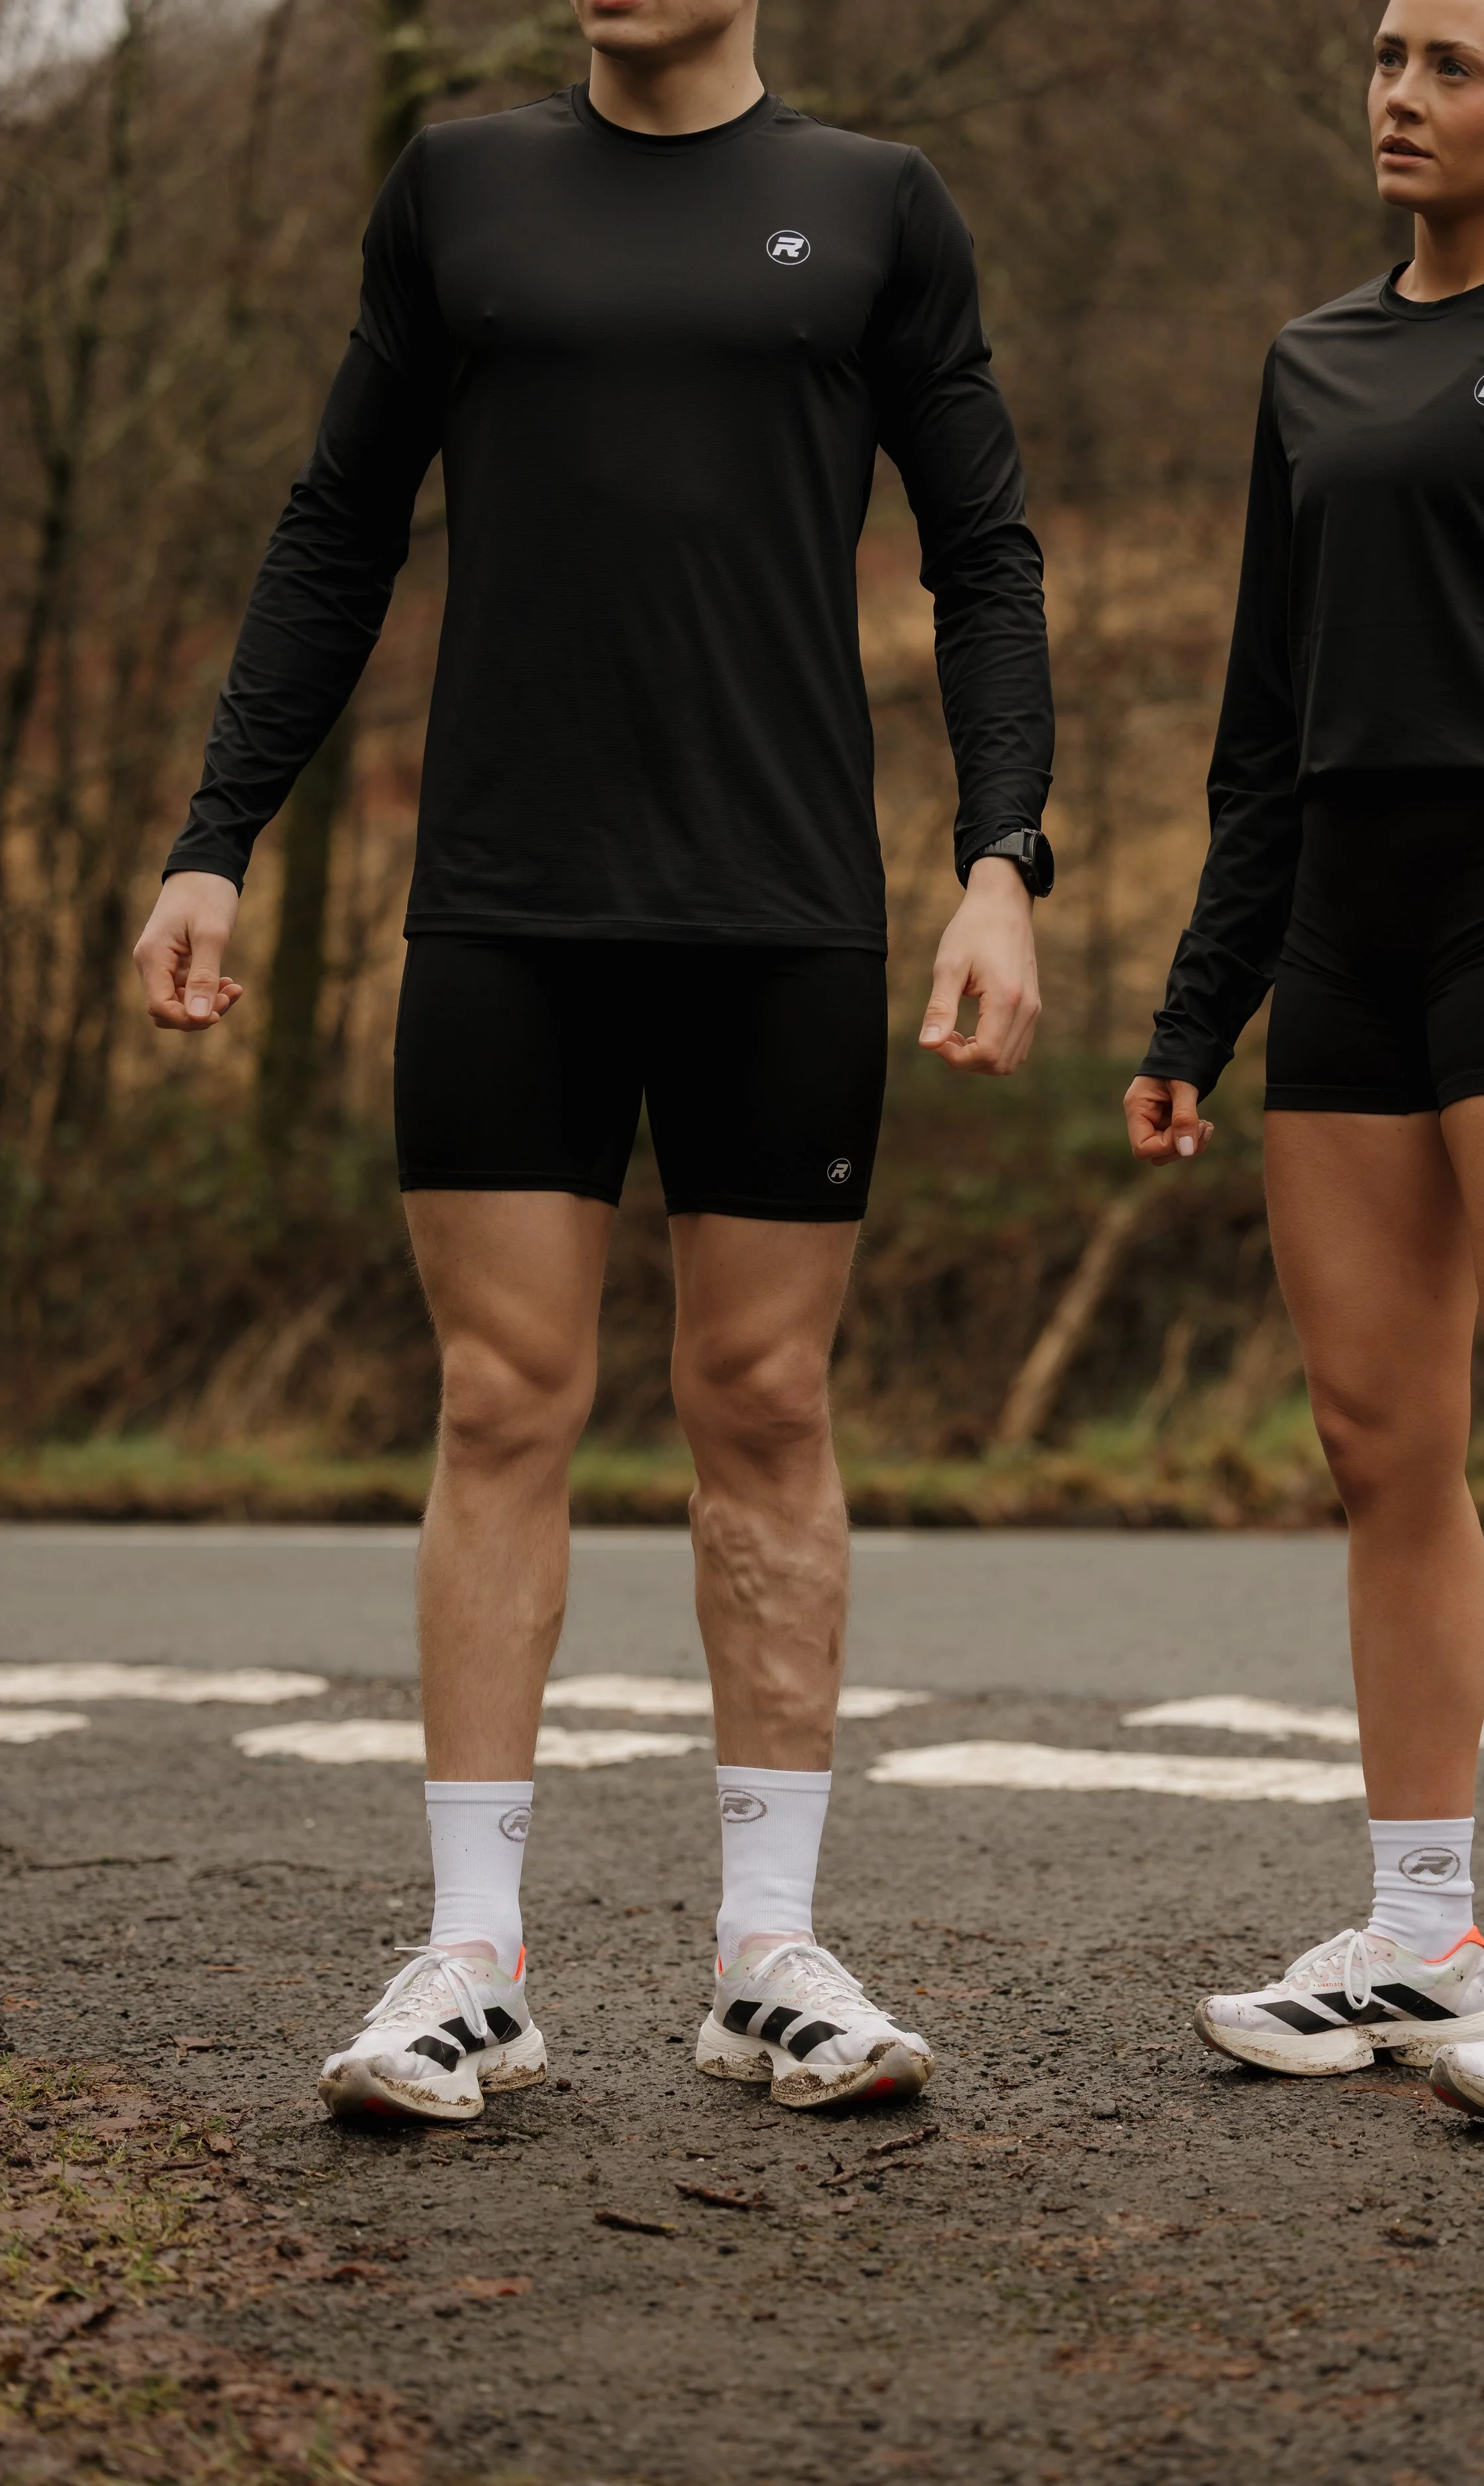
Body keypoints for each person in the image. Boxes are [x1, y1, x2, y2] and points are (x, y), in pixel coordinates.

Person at [133, 0, 1055, 2122]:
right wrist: (214, 838)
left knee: (764, 1398)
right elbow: (334, 525)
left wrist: (999, 859)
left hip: (781, 903)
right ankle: (471, 1954)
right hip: (508, 901)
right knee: (497, 1395)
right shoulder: (458, 187)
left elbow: (984, 553)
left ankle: (767, 1954)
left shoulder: (875, 205)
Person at [1125, 0, 1484, 2135]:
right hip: (1343, 933)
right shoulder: (1311, 358)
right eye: (1383, 56)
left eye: (1450, 65)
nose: (1400, 95)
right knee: (1376, 1440)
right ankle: (1424, 1930)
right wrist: (1199, 1001)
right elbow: (1264, 719)